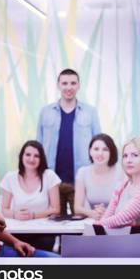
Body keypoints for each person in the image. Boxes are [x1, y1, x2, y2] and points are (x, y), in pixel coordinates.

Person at [37, 68, 101, 215]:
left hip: (79, 180)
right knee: (52, 224)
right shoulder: (45, 112)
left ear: (79, 85)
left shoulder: (90, 112)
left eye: (73, 83)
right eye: (64, 83)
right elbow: (38, 145)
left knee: (81, 225)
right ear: (58, 85)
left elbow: (99, 144)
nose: (69, 87)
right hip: (52, 179)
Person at [98, 137, 140, 240]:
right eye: (125, 156)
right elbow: (107, 217)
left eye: (135, 155)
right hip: (122, 245)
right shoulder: (121, 186)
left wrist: (95, 226)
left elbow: (122, 219)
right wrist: (97, 226)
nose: (128, 160)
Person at [0, 140, 61, 251]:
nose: (31, 159)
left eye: (36, 156)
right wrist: (15, 214)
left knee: (45, 243)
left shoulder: (49, 176)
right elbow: (4, 209)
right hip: (17, 231)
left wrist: (34, 215)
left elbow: (56, 209)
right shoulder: (10, 177)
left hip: (43, 231)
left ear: (41, 159)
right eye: (28, 154)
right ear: (21, 156)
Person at [74, 134, 124, 220]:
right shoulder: (82, 172)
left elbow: (126, 205)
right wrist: (92, 213)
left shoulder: (121, 172)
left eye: (105, 149)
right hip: (91, 222)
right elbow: (77, 208)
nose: (100, 153)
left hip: (115, 221)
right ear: (90, 151)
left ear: (111, 152)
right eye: (96, 149)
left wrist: (107, 212)